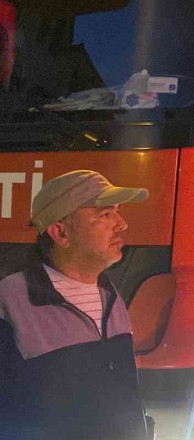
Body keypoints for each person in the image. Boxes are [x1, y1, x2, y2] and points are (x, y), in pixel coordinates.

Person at [0, 170, 151, 440]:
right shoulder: (10, 303)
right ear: (61, 232)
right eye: (106, 214)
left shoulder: (109, 296)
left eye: (118, 211)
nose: (122, 224)